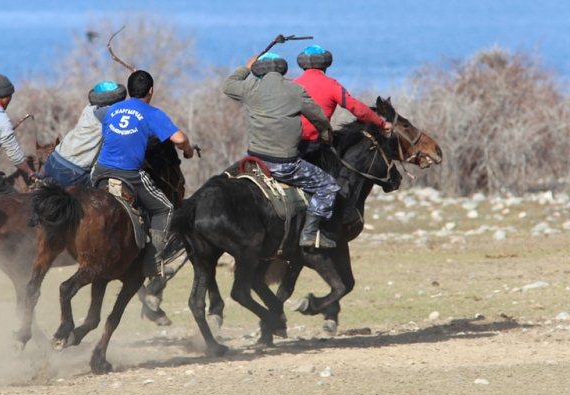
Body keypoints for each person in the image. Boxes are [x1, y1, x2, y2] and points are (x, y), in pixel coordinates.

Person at [222, 52, 341, 249]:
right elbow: (319, 117)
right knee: (327, 186)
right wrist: (326, 135)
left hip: (254, 160)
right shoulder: (295, 90)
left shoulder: (250, 88)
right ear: (282, 69)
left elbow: (228, 85)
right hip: (285, 165)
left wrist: (246, 66)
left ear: (259, 70)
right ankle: (310, 234)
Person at [91, 70, 194, 275]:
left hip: (99, 172)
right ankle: (153, 263)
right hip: (128, 175)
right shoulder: (153, 113)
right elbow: (180, 140)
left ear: (128, 90)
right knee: (164, 208)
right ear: (151, 90)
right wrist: (189, 150)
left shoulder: (111, 111)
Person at [293, 44, 392, 160]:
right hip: (316, 146)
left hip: (290, 143)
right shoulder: (332, 85)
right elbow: (357, 109)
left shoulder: (292, 84)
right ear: (325, 64)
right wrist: (381, 123)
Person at [42, 80, 127, 187]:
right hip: (71, 172)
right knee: (108, 191)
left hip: (53, 161)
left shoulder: (89, 109)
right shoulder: (107, 114)